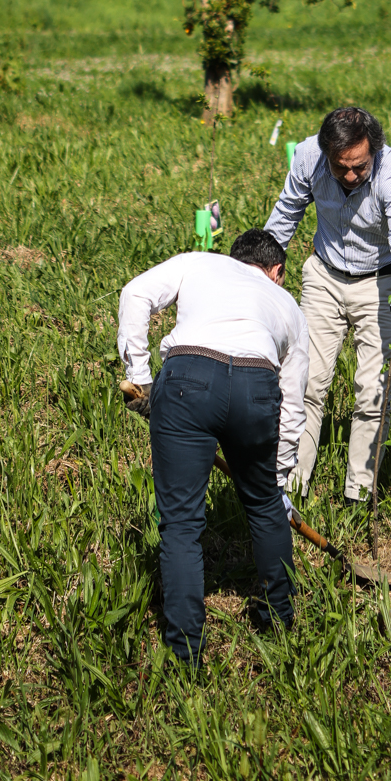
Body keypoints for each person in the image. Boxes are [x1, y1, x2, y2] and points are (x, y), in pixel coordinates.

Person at [117, 228, 309, 667]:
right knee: (263, 506)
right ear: (276, 272)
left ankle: (185, 654)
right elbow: (295, 400)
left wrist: (141, 374)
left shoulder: (200, 261)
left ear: (232, 258)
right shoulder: (288, 305)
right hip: (256, 387)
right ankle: (277, 622)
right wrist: (277, 480)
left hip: (188, 379)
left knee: (182, 524)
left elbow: (135, 293)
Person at [265, 105, 391, 504]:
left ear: (374, 152)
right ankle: (289, 487)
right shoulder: (307, 157)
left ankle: (359, 494)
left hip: (381, 280)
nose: (351, 175)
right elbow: (286, 215)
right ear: (326, 155)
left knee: (372, 391)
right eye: (341, 168)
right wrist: (260, 270)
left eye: (359, 166)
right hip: (324, 275)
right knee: (305, 384)